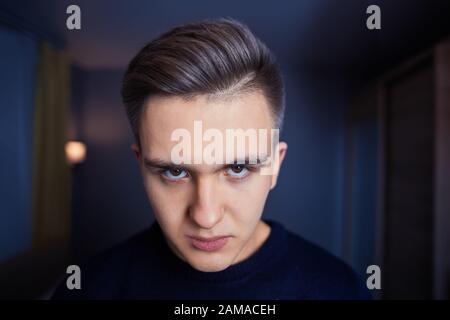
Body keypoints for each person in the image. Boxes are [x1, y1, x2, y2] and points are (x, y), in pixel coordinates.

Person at [53, 18, 369, 300]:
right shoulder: (88, 289)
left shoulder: (341, 290)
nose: (205, 217)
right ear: (141, 165)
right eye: (175, 171)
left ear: (275, 165)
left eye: (237, 168)